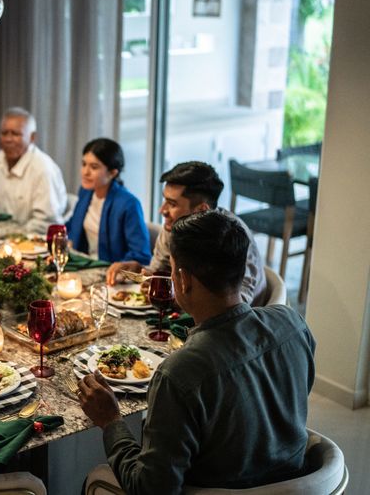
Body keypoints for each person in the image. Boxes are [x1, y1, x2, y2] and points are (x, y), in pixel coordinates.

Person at [79, 210, 315, 494]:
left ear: (182, 280)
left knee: (93, 477)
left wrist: (111, 422)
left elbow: (151, 489)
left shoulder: (179, 374)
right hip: (300, 484)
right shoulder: (293, 324)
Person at [106, 161, 267, 305]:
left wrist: (179, 298)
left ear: (201, 210)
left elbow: (239, 305)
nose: (162, 210)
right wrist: (140, 271)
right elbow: (158, 272)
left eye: (172, 204)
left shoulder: (234, 238)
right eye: (164, 200)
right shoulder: (173, 227)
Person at [65, 138, 151, 264]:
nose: (85, 172)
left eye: (94, 167)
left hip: (110, 271)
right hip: (85, 262)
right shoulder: (86, 191)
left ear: (112, 173)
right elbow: (72, 225)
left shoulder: (129, 204)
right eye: (84, 164)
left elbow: (141, 254)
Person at [0, 107, 68, 233]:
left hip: (34, 238)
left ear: (32, 137)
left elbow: (45, 222)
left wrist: (10, 234)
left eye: (15, 134)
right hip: (3, 235)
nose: (8, 139)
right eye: (4, 133)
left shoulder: (43, 169)